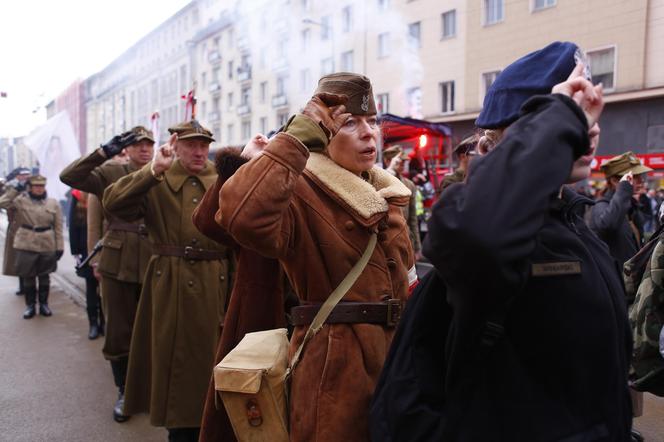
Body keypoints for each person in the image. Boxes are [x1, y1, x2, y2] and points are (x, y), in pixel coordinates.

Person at [420, 42, 632, 440]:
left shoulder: (577, 228)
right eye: (572, 109)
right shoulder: (482, 224)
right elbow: (473, 231)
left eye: (587, 104)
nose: (592, 125)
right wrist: (558, 121)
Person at [217, 73, 416, 441]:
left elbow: (408, 276)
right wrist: (295, 139)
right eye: (350, 123)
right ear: (324, 134)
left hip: (396, 360)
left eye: (372, 121)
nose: (368, 132)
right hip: (335, 366)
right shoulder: (300, 190)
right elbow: (242, 218)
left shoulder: (387, 193)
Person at [103, 120, 231, 442]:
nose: (199, 151)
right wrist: (151, 172)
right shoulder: (157, 180)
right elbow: (113, 203)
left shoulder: (224, 179)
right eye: (191, 145)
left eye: (204, 145)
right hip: (169, 284)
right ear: (176, 145)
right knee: (175, 371)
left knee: (215, 368)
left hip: (216, 283)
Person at [193, 138, 290, 442]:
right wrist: (241, 164)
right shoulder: (258, 198)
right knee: (252, 421)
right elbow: (207, 221)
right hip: (260, 321)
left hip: (316, 327)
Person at [60, 126, 154, 423]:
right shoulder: (111, 173)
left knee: (154, 330)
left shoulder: (165, 171)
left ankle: (151, 387)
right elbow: (70, 177)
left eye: (148, 144)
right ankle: (124, 390)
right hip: (118, 259)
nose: (144, 149)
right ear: (127, 148)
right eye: (138, 144)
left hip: (156, 259)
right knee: (118, 330)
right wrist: (104, 152)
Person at [0, 175, 63, 318]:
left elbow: (58, 227)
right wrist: (14, 190)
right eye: (36, 186)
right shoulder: (20, 201)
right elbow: (2, 203)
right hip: (26, 243)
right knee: (28, 276)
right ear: (30, 187)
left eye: (41, 186)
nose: (39, 189)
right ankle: (30, 306)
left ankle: (44, 304)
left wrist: (60, 247)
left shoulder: (53, 203)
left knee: (44, 276)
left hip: (47, 243)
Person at [590, 151, 652, 268]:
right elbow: (607, 225)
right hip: (616, 280)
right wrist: (624, 190)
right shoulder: (601, 206)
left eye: (640, 176)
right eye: (635, 176)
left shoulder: (630, 206)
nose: (641, 180)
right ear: (614, 181)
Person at [67, 189, 104, 339]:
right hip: (86, 248)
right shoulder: (77, 194)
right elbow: (73, 224)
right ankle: (93, 324)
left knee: (105, 289)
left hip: (106, 246)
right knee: (91, 288)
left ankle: (104, 322)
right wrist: (75, 250)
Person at [383, 145, 422, 259]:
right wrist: (390, 171)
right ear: (387, 161)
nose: (403, 164)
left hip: (406, 239)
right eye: (400, 161)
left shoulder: (409, 185)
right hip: (387, 240)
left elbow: (413, 218)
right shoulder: (380, 180)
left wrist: (417, 247)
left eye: (404, 162)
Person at [2, 168, 32, 296]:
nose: (25, 177)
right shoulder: (12, 189)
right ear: (18, 177)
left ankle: (33, 287)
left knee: (34, 259)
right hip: (16, 228)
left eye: (27, 175)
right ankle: (22, 286)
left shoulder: (35, 187)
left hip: (33, 228)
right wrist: (17, 190)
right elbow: (2, 202)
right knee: (18, 259)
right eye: (22, 175)